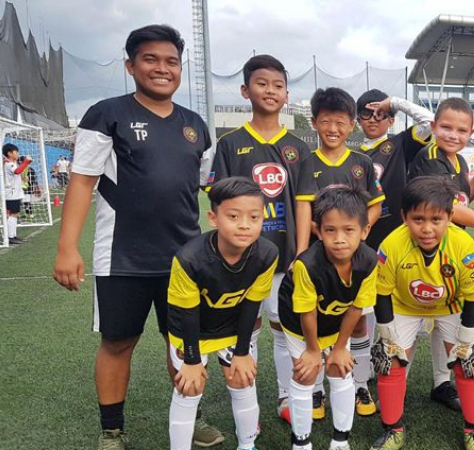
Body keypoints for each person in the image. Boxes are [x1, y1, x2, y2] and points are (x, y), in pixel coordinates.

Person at [51, 25, 212, 450]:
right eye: (150, 59)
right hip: (122, 257)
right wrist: (67, 248)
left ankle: (188, 419)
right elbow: (82, 182)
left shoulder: (196, 125)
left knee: (182, 341)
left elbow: (211, 188)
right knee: (118, 341)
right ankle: (112, 430)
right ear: (130, 65)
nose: (162, 68)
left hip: (185, 259)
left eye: (171, 61)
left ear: (180, 69)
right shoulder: (106, 114)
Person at [206, 54, 312, 424]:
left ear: (286, 95)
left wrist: (301, 254)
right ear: (245, 90)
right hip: (241, 259)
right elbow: (218, 200)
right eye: (262, 83)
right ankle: (246, 404)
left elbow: (304, 204)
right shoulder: (230, 143)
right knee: (244, 328)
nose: (270, 90)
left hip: (285, 257)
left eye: (278, 85)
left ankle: (287, 397)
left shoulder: (299, 146)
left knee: (285, 328)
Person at [370, 176, 474, 450]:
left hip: (451, 305)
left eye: (436, 219)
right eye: (418, 219)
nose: (426, 229)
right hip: (403, 305)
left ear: (449, 216)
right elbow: (382, 292)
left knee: (468, 361)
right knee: (389, 359)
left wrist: (467, 338)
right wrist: (388, 333)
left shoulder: (463, 244)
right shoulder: (391, 245)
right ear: (404, 217)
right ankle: (393, 429)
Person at [167, 177, 278, 450]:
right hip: (191, 329)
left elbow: (251, 306)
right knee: (189, 387)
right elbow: (187, 312)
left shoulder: (267, 254)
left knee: (242, 380)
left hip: (231, 328)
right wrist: (192, 359)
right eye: (233, 216)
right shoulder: (189, 259)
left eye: (254, 216)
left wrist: (242, 351)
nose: (244, 224)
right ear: (213, 218)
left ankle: (247, 445)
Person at [353, 89, 444, 415]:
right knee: (362, 313)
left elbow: (432, 123)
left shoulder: (402, 144)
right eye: (367, 113)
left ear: (391, 119)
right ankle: (362, 377)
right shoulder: (353, 155)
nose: (374, 119)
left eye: (382, 114)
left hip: (399, 243)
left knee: (396, 312)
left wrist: (396, 103)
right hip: (360, 243)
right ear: (357, 119)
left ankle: (392, 368)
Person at [279, 185, 378, 450]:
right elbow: (306, 311)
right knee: (306, 372)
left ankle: (340, 440)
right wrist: (313, 350)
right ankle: (301, 442)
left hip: (336, 321)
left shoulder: (369, 261)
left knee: (339, 368)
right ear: (318, 230)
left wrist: (339, 347)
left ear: (364, 231)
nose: (339, 239)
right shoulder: (307, 265)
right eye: (330, 230)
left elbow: (356, 308)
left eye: (349, 230)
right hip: (300, 324)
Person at [296, 87, 385, 256]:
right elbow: (302, 206)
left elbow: (376, 206)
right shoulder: (306, 162)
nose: (332, 129)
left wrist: (355, 233)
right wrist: (322, 232)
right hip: (317, 248)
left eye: (340, 123)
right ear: (314, 122)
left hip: (354, 250)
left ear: (352, 125)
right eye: (325, 122)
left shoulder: (364, 162)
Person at [407, 97, 474, 233]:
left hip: (448, 239)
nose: (453, 136)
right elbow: (448, 206)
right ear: (433, 127)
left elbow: (464, 197)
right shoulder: (431, 157)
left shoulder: (461, 161)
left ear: (470, 133)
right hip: (425, 239)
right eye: (446, 127)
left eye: (461, 131)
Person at [2, 143, 32, 245]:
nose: (18, 154)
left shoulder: (11, 163)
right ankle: (10, 237)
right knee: (13, 214)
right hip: (11, 193)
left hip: (14, 193)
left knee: (15, 214)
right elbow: (18, 171)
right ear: (9, 153)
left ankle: (13, 236)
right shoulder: (9, 164)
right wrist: (26, 162)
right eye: (16, 152)